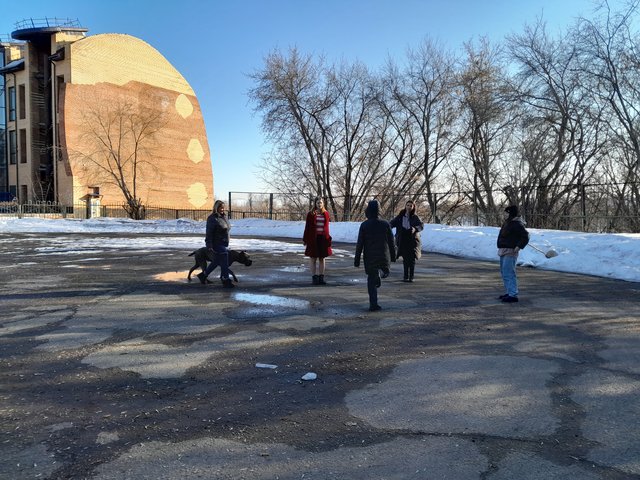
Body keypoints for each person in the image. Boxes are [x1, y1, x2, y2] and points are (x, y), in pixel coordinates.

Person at [354, 199, 396, 311]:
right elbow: (391, 242)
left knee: (371, 280)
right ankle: (380, 274)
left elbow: (360, 244)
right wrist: (393, 255)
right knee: (385, 272)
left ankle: (373, 304)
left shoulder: (364, 225)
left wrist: (357, 260)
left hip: (369, 256)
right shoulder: (385, 224)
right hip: (383, 254)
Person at [497, 205, 529, 303]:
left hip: (511, 251)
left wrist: (519, 246)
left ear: (511, 213)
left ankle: (513, 295)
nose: (504, 214)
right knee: (504, 272)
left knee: (509, 272)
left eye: (506, 212)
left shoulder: (517, 224)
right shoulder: (508, 223)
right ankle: (509, 292)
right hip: (503, 250)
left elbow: (526, 236)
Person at [199, 200, 234, 288]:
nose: (222, 209)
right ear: (216, 208)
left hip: (223, 242)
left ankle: (204, 275)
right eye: (221, 208)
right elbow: (209, 233)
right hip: (216, 243)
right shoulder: (212, 218)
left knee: (218, 260)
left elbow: (226, 228)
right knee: (224, 256)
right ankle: (225, 278)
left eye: (223, 207)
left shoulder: (224, 217)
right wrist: (209, 245)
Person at [389, 200, 424, 282]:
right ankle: (405, 276)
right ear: (405, 206)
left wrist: (415, 229)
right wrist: (386, 226)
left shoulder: (415, 217)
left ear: (413, 207)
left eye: (411, 206)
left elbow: (421, 226)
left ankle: (411, 277)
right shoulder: (400, 216)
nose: (409, 207)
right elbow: (391, 223)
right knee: (405, 259)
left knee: (411, 259)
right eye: (407, 205)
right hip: (402, 239)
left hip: (412, 240)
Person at [303, 196, 333, 285]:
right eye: (317, 202)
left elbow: (327, 228)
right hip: (313, 239)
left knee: (322, 258)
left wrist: (328, 239)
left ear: (323, 204)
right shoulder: (311, 214)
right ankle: (314, 278)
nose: (319, 204)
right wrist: (305, 239)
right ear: (315, 204)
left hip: (323, 239)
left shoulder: (326, 214)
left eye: (321, 202)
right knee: (313, 258)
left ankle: (321, 278)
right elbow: (307, 227)